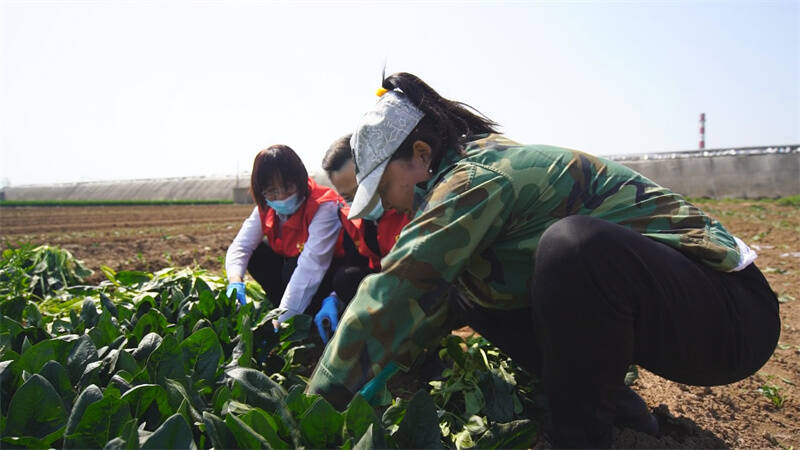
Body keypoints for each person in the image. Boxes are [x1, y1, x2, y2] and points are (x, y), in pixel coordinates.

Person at [306, 72, 781, 447]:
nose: (387, 204)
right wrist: (382, 368)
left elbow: (398, 287)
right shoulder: (463, 174)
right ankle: (620, 414)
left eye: (384, 186)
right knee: (472, 290)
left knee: (573, 248)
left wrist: (312, 406)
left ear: (421, 153)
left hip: (731, 318)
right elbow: (431, 302)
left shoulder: (474, 179)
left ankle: (582, 439)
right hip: (676, 315)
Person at [225, 144, 344, 330]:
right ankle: (286, 306)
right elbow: (241, 245)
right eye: (272, 190)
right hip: (297, 270)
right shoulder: (266, 206)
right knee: (259, 254)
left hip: (329, 270)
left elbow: (311, 266)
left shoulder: (323, 206)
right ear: (261, 191)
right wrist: (235, 281)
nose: (281, 196)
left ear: (300, 181)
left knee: (292, 269)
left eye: (288, 187)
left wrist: (281, 319)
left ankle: (307, 312)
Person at [315, 135, 410, 344]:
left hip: (413, 285)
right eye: (348, 197)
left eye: (363, 190)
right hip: (383, 285)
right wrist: (334, 296)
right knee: (344, 278)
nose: (360, 202)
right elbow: (354, 262)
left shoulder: (407, 205)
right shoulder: (350, 217)